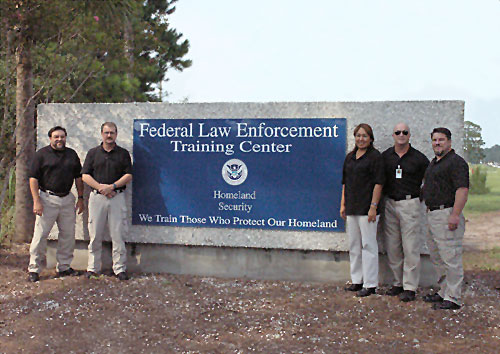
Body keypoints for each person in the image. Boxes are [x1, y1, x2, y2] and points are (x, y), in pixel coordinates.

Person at [28, 126, 84, 282]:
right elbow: (33, 178)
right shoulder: (41, 155)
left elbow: (78, 177)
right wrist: (36, 201)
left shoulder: (71, 155)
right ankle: (34, 268)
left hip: (67, 199)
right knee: (40, 236)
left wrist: (80, 198)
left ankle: (64, 267)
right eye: (56, 137)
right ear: (50, 138)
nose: (60, 139)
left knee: (68, 235)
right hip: (47, 199)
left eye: (62, 137)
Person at [422, 127, 469, 310]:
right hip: (432, 214)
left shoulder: (456, 163)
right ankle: (443, 292)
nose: (437, 143)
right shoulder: (434, 163)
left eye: (441, 140)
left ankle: (453, 297)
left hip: (447, 213)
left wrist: (455, 215)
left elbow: (462, 189)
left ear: (449, 142)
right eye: (434, 140)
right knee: (438, 257)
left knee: (451, 258)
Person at [382, 123, 429, 302]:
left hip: (410, 204)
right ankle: (397, 283)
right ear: (393, 135)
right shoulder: (386, 156)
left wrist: (420, 197)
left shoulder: (418, 158)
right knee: (393, 246)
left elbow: (429, 178)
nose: (401, 135)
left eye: (405, 132)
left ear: (410, 135)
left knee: (410, 247)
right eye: (398, 132)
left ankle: (410, 287)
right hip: (390, 203)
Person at [82, 122, 132, 281]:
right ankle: (93, 268)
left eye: (112, 132)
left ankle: (119, 269)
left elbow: (129, 176)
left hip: (117, 197)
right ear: (101, 134)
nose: (109, 135)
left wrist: (112, 187)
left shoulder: (123, 154)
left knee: (118, 234)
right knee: (95, 234)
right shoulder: (92, 153)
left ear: (116, 134)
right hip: (97, 198)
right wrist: (101, 188)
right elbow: (85, 175)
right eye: (106, 132)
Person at [340, 123, 385, 297]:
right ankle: (357, 280)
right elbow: (345, 182)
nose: (361, 139)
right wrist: (343, 204)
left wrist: (373, 207)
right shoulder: (350, 157)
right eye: (358, 135)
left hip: (368, 209)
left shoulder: (375, 157)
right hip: (352, 207)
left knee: (368, 245)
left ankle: (370, 284)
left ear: (371, 138)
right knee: (354, 246)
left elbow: (379, 183)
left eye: (364, 136)